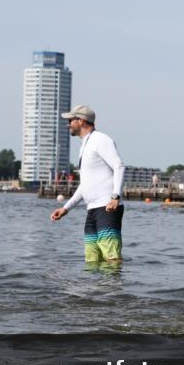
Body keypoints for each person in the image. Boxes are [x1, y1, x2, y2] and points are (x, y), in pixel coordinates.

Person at [50, 105, 126, 262]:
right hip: (92, 209)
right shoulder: (84, 145)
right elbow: (84, 185)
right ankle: (93, 287)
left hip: (107, 207)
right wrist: (66, 208)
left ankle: (113, 286)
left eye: (71, 120)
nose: (68, 124)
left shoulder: (101, 140)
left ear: (81, 121)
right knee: (92, 259)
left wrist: (115, 196)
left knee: (111, 256)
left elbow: (119, 166)